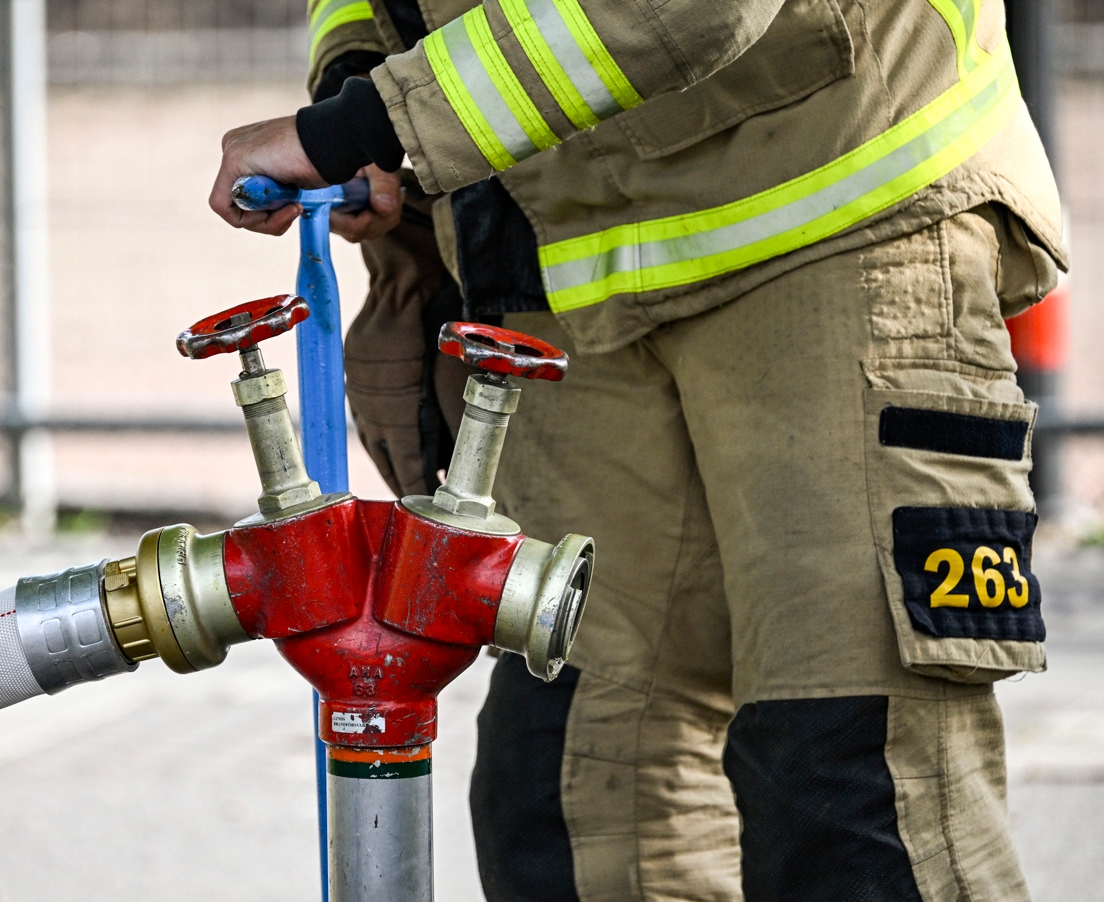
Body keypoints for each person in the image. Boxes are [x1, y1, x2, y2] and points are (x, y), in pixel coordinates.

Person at [208, 0, 1067, 898]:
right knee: (572, 794)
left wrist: (368, 122)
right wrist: (355, 65)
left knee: (849, 782)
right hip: (571, 256)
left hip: (839, 204)